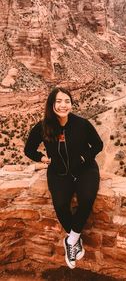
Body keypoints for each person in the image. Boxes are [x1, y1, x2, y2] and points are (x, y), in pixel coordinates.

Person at [24, 87, 103, 269]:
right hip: (58, 171)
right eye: (58, 101)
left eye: (67, 101)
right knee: (60, 206)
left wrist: (84, 158)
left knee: (86, 199)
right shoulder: (43, 127)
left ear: (71, 104)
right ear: (52, 104)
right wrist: (43, 159)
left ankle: (71, 242)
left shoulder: (82, 124)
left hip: (85, 169)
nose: (63, 105)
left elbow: (98, 145)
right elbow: (29, 149)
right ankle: (76, 240)